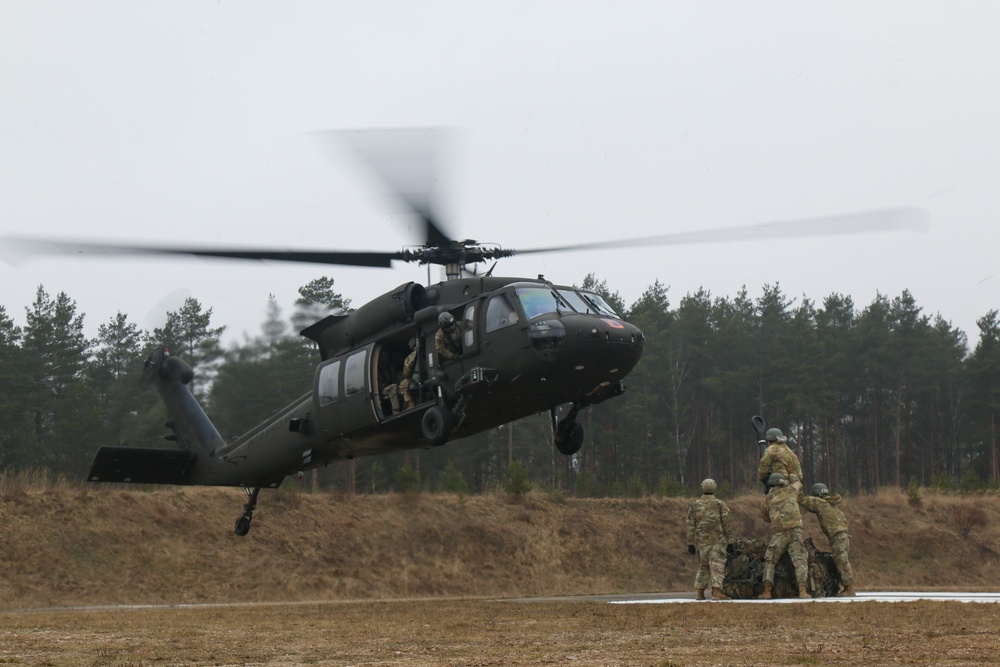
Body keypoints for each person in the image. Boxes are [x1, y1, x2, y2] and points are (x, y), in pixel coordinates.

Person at [799, 482, 855, 597]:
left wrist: (796, 487)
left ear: (816, 494)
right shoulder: (832, 504)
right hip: (843, 535)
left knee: (842, 561)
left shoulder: (820, 503)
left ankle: (850, 589)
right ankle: (846, 587)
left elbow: (803, 501)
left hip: (837, 536)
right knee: (841, 561)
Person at [759, 472, 809, 599]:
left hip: (779, 533)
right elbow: (799, 483)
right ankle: (803, 591)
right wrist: (791, 474)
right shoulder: (791, 490)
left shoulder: (768, 498)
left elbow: (765, 517)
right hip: (795, 531)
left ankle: (767, 591)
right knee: (800, 560)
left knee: (770, 560)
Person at [685, 478, 735, 601]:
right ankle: (717, 591)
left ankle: (700, 593)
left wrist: (690, 543)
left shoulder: (695, 505)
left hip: (702, 543)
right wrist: (731, 541)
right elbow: (727, 524)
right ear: (714, 488)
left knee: (703, 567)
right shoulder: (720, 504)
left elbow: (690, 525)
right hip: (717, 542)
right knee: (717, 565)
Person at [397, 338, 419, 410]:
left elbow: (406, 373)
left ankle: (411, 404)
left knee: (403, 384)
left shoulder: (413, 355)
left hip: (419, 379)